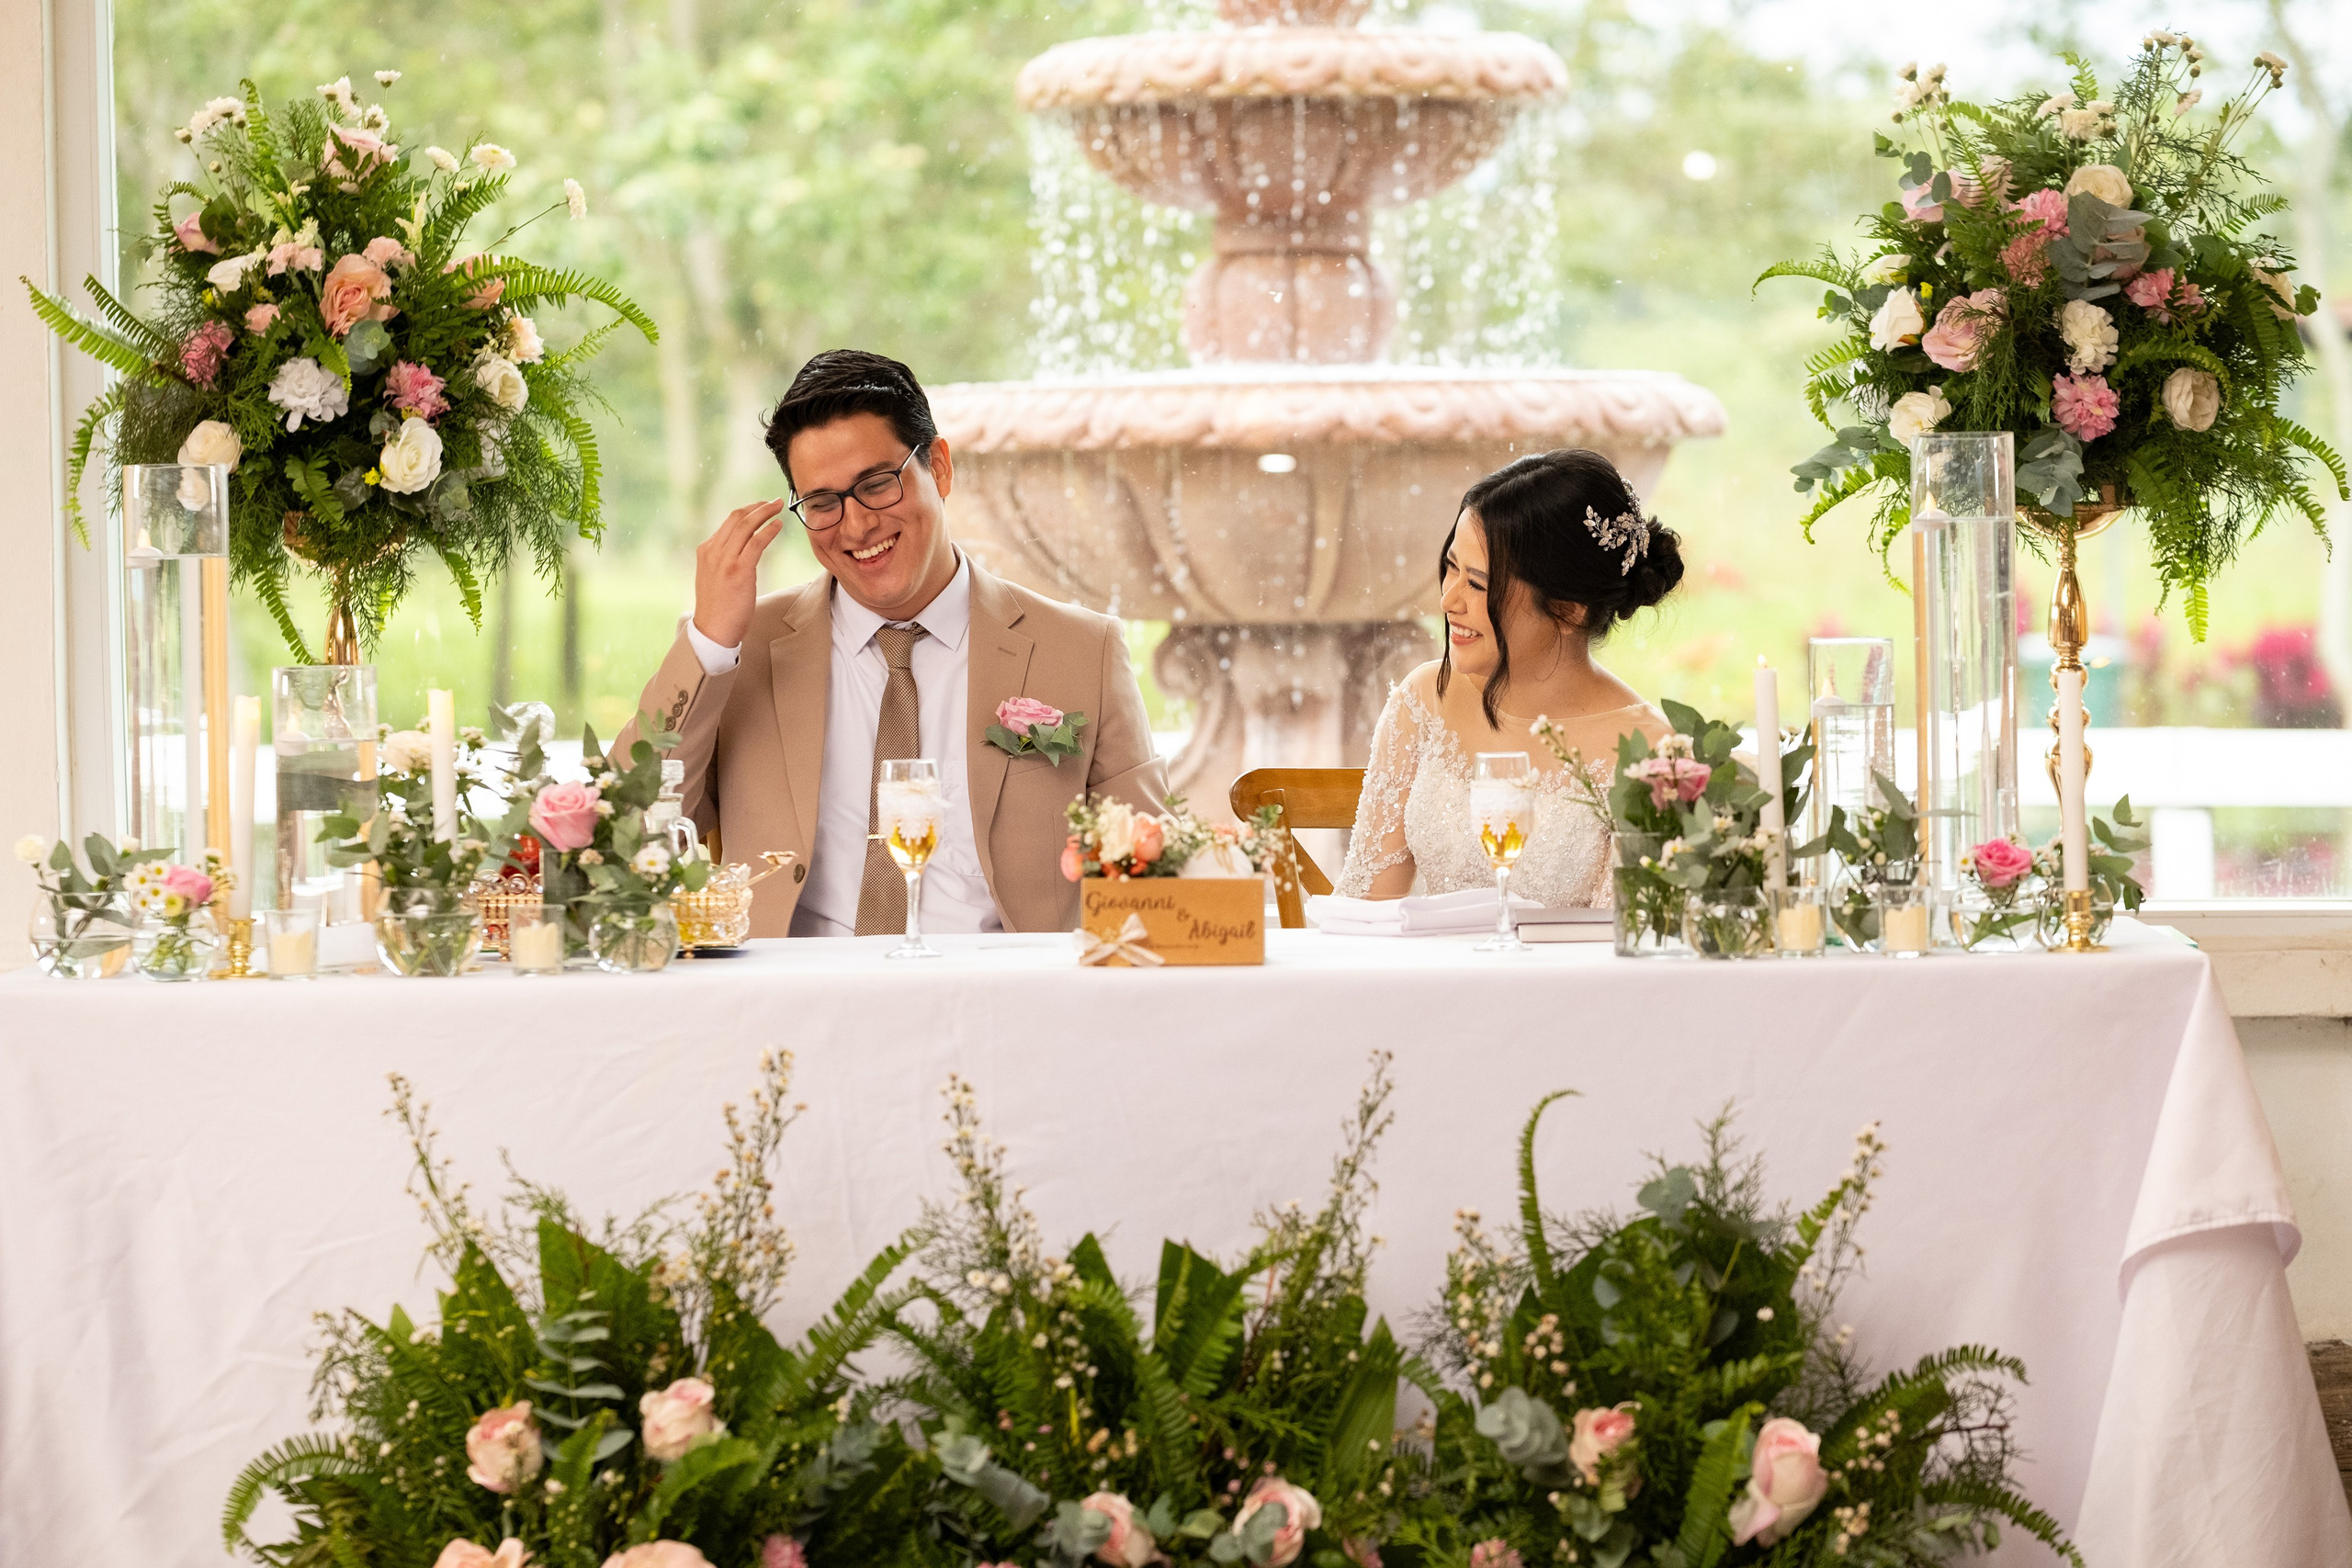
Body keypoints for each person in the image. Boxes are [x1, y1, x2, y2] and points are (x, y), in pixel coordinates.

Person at [616, 350, 1169, 937]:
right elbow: (627, 826)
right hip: (794, 1007)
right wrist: (708, 641)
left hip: (1002, 1006)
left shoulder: (1082, 651)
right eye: (824, 503)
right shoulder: (741, 651)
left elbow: (1155, 880)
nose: (855, 526)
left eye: (876, 484)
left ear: (940, 467)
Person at [1334, 448, 1683, 905]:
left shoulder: (1648, 751)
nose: (1448, 600)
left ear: (1567, 610)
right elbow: (1366, 903)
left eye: (1478, 584)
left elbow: (1618, 950)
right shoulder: (1424, 700)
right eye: (1451, 568)